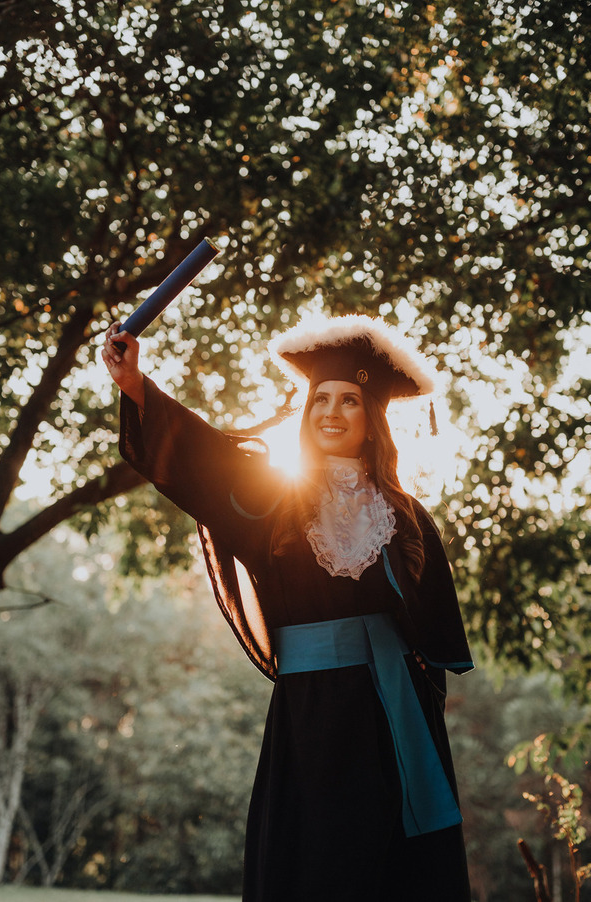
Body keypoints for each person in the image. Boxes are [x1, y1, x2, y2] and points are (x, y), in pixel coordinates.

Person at [102, 312, 473, 902]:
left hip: (393, 720)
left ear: (371, 420)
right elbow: (202, 463)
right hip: (310, 720)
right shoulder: (271, 500)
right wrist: (138, 388)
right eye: (320, 399)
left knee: (396, 872)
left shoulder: (407, 518)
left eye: (348, 400)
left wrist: (416, 704)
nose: (330, 411)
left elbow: (434, 639)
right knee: (316, 867)